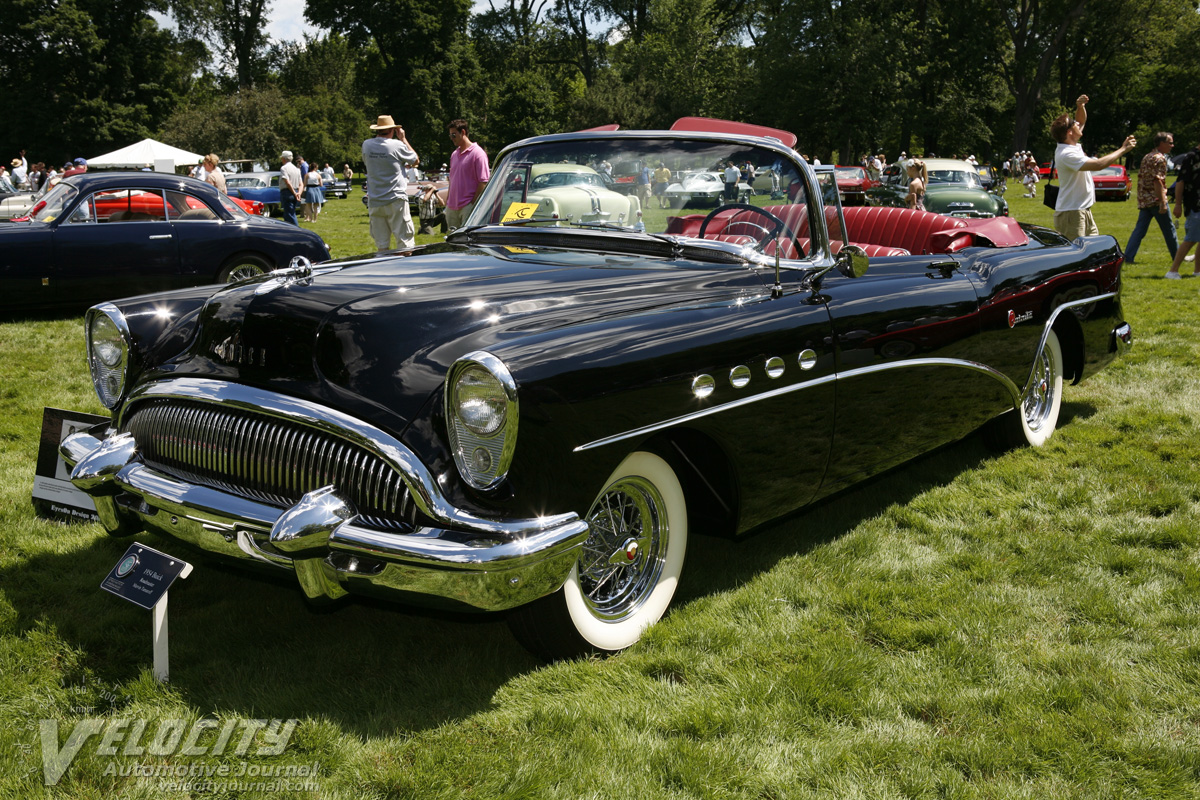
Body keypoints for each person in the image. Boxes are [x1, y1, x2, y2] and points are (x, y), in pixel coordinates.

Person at [1050, 94, 1137, 240]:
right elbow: (1098, 165)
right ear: (1069, 132)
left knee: (1092, 253)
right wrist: (1122, 150)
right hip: (1072, 213)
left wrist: (1080, 106)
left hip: (1081, 210)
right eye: (1073, 123)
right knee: (1076, 257)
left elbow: (1081, 120)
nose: (1077, 124)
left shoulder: (1071, 144)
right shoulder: (1066, 154)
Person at [363, 114, 419, 249]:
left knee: (381, 246)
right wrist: (403, 139)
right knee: (405, 244)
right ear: (392, 130)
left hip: (375, 200)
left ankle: (384, 268)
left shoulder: (366, 145)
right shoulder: (397, 145)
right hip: (396, 199)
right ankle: (404, 269)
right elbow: (415, 160)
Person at [1124, 132, 1177, 266]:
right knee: (1169, 230)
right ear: (1162, 144)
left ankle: (1128, 257)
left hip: (1144, 200)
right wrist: (1163, 203)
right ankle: (1177, 257)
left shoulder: (1147, 156)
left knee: (1139, 231)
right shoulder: (1160, 159)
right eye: (1170, 143)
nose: (1172, 145)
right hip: (1156, 200)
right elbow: (1157, 181)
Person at [446, 119, 489, 232]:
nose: (451, 138)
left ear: (463, 132)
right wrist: (448, 201)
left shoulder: (478, 154)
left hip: (467, 207)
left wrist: (472, 205)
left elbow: (483, 182)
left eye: (454, 135)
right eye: (450, 135)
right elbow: (452, 179)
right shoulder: (454, 154)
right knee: (453, 244)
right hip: (451, 208)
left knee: (468, 243)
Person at [1166, 142, 1200, 279]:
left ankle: (1197, 271)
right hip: (1194, 204)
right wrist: (1178, 204)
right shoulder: (1191, 157)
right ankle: (1172, 271)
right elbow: (1180, 182)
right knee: (1191, 239)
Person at [279, 150, 304, 226]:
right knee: (289, 214)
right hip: (295, 191)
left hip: (287, 192)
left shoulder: (284, 168)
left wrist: (294, 193)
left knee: (289, 214)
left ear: (284, 158)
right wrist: (298, 193)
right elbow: (301, 184)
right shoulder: (297, 169)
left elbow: (287, 182)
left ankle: (297, 231)